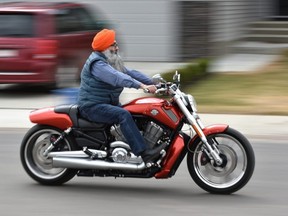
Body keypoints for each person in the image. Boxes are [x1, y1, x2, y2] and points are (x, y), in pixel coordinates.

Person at [77, 29, 164, 165]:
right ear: (105, 47)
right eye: (114, 45)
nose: (117, 48)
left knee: (136, 111)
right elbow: (117, 78)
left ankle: (131, 144)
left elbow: (130, 73)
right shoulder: (97, 64)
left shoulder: (110, 61)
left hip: (107, 103)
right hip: (92, 106)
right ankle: (144, 153)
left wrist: (155, 84)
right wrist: (141, 86)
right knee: (123, 115)